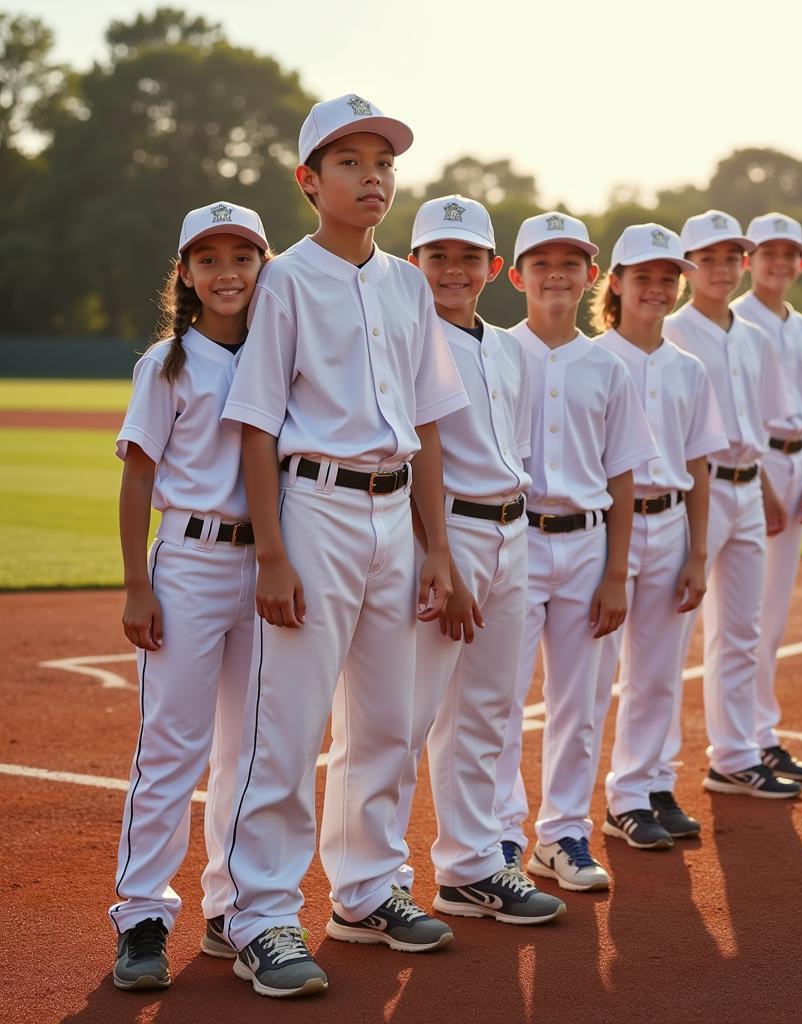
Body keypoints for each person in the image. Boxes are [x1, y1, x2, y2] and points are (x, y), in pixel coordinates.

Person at [220, 95, 469, 998]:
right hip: (314, 506)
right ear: (308, 180)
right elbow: (254, 424)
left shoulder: (407, 283)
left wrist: (436, 546)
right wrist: (273, 553)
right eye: (352, 162)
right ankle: (260, 917)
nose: (374, 177)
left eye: (384, 163)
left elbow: (431, 422)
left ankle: (366, 891)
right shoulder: (283, 278)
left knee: (389, 723)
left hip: (394, 514)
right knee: (285, 724)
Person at [109, 200, 271, 990]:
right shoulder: (166, 364)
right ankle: (142, 915)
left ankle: (234, 911)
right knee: (172, 746)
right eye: (208, 258)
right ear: (186, 273)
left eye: (242, 255)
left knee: (252, 750)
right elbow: (138, 475)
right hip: (192, 564)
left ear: (263, 265)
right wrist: (138, 583)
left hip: (269, 567)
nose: (227, 271)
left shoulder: (283, 355)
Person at [394, 194, 565, 926]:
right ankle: (377, 878)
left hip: (510, 529)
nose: (453, 269)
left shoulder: (506, 347)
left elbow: (513, 451)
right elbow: (405, 457)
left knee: (490, 713)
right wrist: (440, 553)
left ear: (494, 268)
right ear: (415, 264)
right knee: (407, 715)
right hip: (444, 534)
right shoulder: (405, 338)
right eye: (439, 256)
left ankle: (469, 868)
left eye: (468, 257)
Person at [493, 212, 658, 891]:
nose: (556, 274)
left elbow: (623, 472)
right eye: (542, 262)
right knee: (498, 699)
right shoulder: (494, 351)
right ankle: (500, 835)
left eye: (570, 262)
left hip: (589, 543)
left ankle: (562, 835)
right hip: (514, 536)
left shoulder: (610, 365)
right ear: (517, 274)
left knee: (581, 702)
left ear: (591, 275)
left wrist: (618, 571)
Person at [589, 224, 727, 849]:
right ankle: (598, 804)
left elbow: (699, 464)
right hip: (602, 529)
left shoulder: (689, 369)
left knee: (659, 670)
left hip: (671, 522)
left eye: (668, 277)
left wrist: (699, 551)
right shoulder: (593, 358)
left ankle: (641, 788)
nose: (657, 288)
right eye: (642, 276)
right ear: (615, 282)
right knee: (592, 675)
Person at [661, 210, 802, 800]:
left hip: (747, 487)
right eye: (708, 259)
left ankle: (736, 755)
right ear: (689, 268)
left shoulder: (756, 336)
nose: (721, 270)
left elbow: (757, 425)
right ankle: (653, 779)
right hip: (697, 491)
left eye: (730, 258)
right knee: (670, 635)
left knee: (741, 629)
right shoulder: (670, 329)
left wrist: (768, 487)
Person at [733, 212, 802, 782]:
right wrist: (767, 482)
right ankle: (745, 741)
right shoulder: (737, 321)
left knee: (772, 613)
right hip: (757, 466)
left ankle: (762, 733)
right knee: (745, 615)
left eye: (787, 252)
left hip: (796, 462)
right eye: (767, 251)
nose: (777, 261)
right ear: (751, 260)